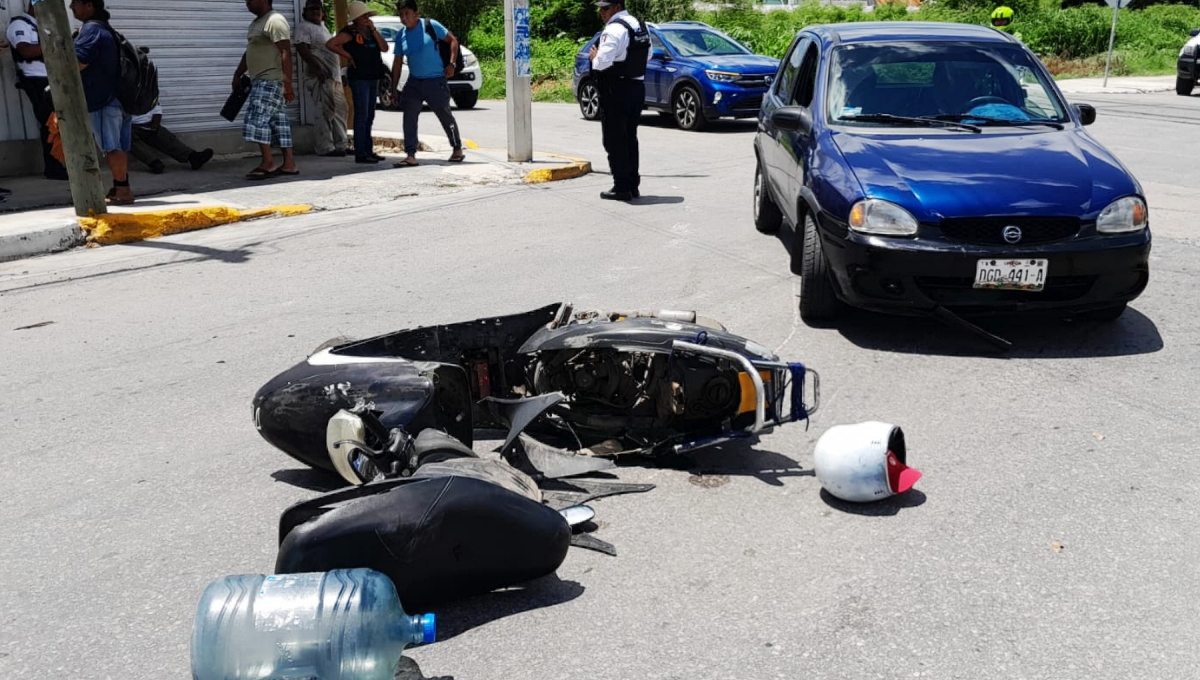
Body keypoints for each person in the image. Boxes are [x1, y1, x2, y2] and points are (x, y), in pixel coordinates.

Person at [71, 0, 133, 205]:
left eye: (75, 3)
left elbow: (79, 62)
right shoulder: (107, 30)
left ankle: (122, 191)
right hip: (120, 99)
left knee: (111, 147)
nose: (71, 7)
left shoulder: (91, 29)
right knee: (119, 147)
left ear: (90, 6)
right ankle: (121, 188)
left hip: (103, 101)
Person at [588, 0, 650, 201]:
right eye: (599, 9)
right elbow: (648, 55)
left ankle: (621, 186)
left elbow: (602, 62)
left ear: (617, 7)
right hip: (636, 89)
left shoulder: (614, 29)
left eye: (605, 8)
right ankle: (633, 184)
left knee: (614, 140)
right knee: (630, 138)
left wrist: (594, 57)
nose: (601, 13)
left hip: (616, 90)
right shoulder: (640, 25)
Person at [390, 0, 464, 168]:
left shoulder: (431, 26)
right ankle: (410, 155)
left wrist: (451, 64)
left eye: (407, 14)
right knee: (409, 117)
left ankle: (457, 149)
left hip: (436, 81)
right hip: (414, 82)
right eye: (401, 15)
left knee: (444, 115)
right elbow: (397, 62)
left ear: (416, 14)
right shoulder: (401, 35)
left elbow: (453, 41)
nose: (403, 18)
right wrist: (394, 88)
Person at [233, 0, 298, 180]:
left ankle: (268, 163)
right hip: (261, 80)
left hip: (270, 80)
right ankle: (289, 164)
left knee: (256, 118)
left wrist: (287, 83)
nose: (247, 3)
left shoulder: (275, 20)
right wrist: (238, 73)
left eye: (250, 0)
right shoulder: (256, 23)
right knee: (278, 122)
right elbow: (249, 52)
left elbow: (285, 52)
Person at [7, 2, 69, 180]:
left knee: (57, 123)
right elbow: (25, 51)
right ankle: (54, 168)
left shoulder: (45, 26)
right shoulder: (20, 24)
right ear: (34, 6)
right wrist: (54, 45)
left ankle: (60, 163)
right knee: (48, 123)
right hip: (35, 80)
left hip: (52, 78)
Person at [327, 1, 388, 164]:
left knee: (370, 115)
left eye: (367, 15)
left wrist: (374, 29)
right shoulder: (349, 32)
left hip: (373, 75)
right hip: (359, 77)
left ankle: (368, 149)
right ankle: (360, 152)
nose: (367, 17)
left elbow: (384, 48)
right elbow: (331, 44)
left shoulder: (370, 31)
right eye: (364, 15)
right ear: (357, 18)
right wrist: (348, 56)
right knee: (362, 115)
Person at [294, 0, 350, 158]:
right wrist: (317, 69)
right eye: (312, 9)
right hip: (320, 76)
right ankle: (325, 147)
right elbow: (302, 48)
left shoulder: (323, 27)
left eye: (318, 9)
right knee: (324, 111)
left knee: (340, 110)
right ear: (305, 12)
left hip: (333, 76)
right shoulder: (304, 27)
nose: (316, 12)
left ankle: (341, 144)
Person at [130, 104, 215, 174]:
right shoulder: (121, 87)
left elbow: (156, 106)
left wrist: (156, 121)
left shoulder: (147, 88)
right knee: (128, 139)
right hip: (128, 125)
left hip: (147, 123)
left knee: (163, 135)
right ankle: (154, 163)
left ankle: (193, 157)